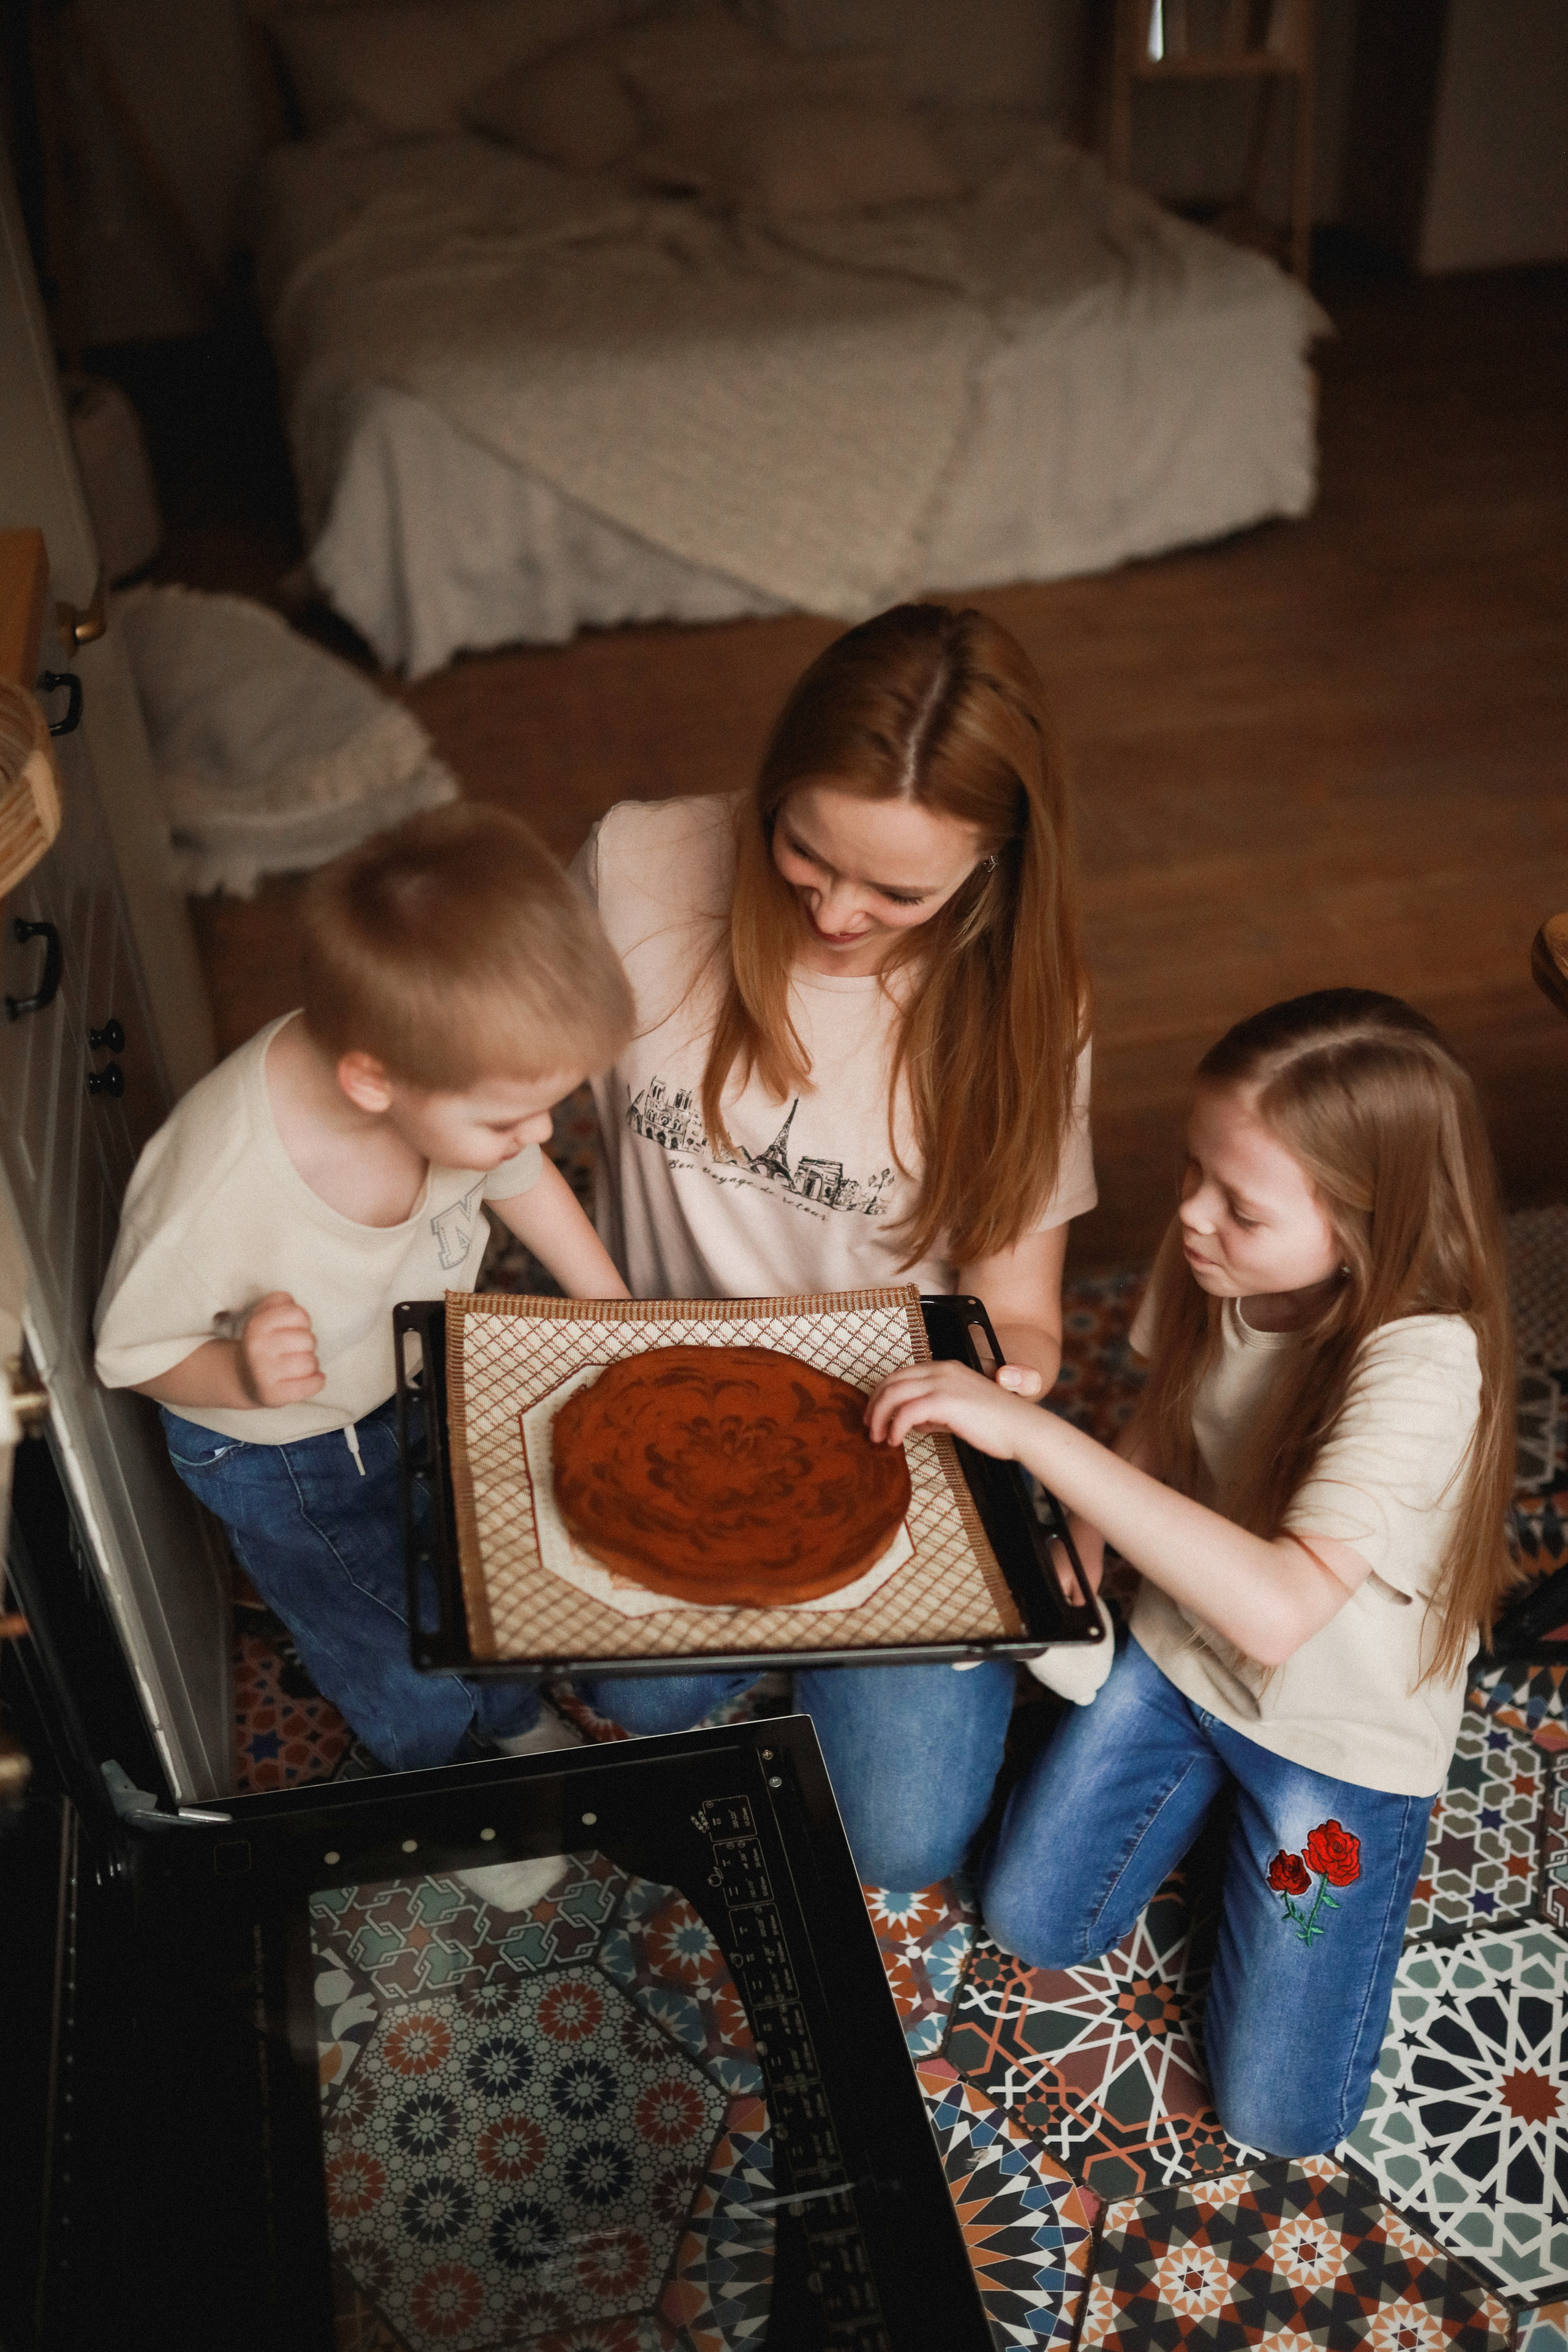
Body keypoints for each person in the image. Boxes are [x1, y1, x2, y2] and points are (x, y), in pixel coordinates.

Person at [867, 989, 1516, 2157]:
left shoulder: (1426, 1365)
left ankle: (1260, 1839)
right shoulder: (1214, 1257)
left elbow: (1277, 1614)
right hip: (1179, 1657)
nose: (1192, 1216)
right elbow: (1168, 1434)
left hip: (1333, 1732)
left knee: (1279, 2121)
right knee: (1030, 1922)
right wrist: (1083, 1555)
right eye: (1191, 1172)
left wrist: (1036, 1442)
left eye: (1241, 1206)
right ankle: (1211, 1806)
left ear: (1370, 1225)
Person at [571, 602, 1097, 1887]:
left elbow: (1017, 1317)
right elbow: (501, 1084)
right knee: (616, 1714)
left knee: (901, 1840)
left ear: (991, 863)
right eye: (806, 851)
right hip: (656, 1393)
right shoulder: (635, 861)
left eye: (897, 889)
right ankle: (772, 1635)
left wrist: (1003, 1393)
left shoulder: (1025, 1012)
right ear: (774, 781)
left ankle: (807, 1632)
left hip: (880, 1433)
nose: (840, 910)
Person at [95, 804, 634, 1773]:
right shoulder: (223, 1183)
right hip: (288, 1453)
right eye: (513, 1117)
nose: (543, 1135)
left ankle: (509, 1715)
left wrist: (610, 1304)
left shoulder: (453, 1087)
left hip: (417, 1371)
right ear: (375, 1083)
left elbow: (512, 1172)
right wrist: (243, 1372)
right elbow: (129, 1355)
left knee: (478, 1562)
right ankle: (441, 1772)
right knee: (386, 1630)